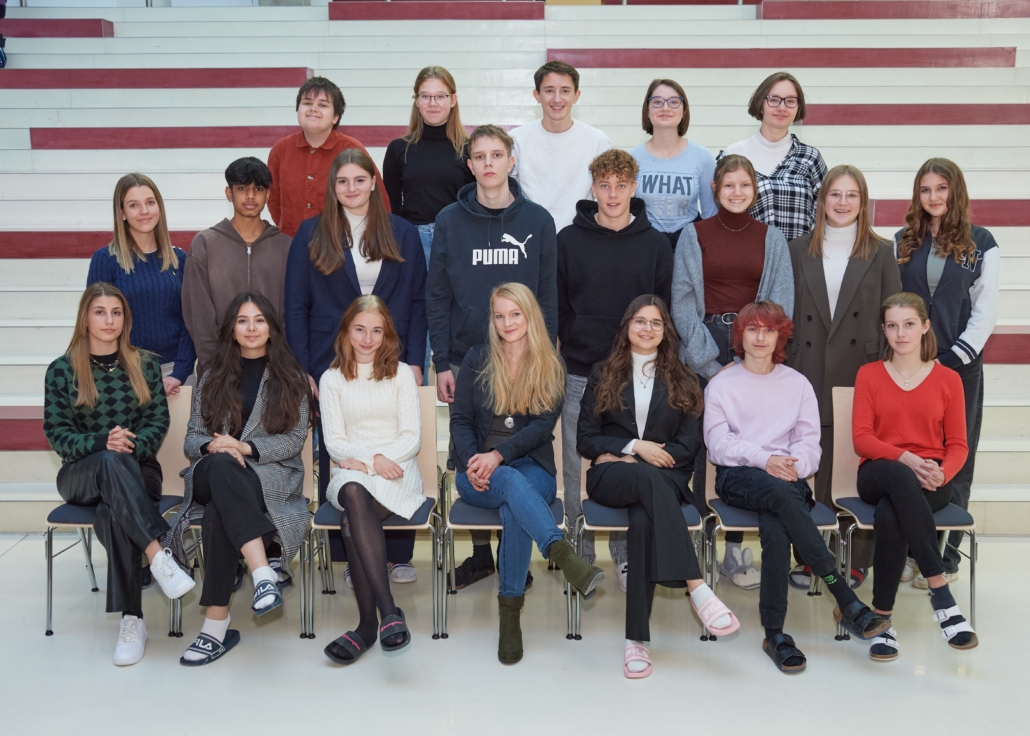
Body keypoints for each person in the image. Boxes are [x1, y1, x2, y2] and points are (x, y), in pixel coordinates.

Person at [704, 301, 890, 673]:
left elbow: (809, 445)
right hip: (738, 476)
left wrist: (793, 466)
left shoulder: (797, 383)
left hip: (788, 479)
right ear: (740, 335)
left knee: (776, 526)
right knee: (780, 497)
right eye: (752, 329)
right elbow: (718, 444)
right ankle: (843, 596)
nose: (760, 338)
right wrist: (765, 459)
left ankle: (775, 634)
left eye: (769, 330)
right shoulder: (722, 384)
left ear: (780, 336)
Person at [578, 295, 739, 679]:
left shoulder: (686, 379)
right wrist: (635, 447)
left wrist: (639, 458)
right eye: (640, 321)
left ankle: (636, 640)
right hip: (610, 477)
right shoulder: (603, 373)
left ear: (666, 330)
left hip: (661, 477)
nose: (647, 329)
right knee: (645, 483)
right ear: (627, 326)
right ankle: (696, 585)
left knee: (643, 522)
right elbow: (586, 438)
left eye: (656, 322)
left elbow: (688, 445)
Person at [427, 124, 558, 588]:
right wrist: (441, 361)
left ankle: (511, 560)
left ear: (510, 161)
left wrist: (546, 357)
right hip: (466, 358)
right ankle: (483, 556)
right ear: (470, 165)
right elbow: (437, 293)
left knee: (517, 450)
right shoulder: (449, 220)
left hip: (527, 356)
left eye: (496, 155)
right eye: (479, 156)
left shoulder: (538, 220)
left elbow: (548, 294)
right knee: (472, 452)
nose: (488, 163)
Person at [286, 148, 426, 584]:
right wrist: (303, 368)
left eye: (359, 180)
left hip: (389, 352)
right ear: (333, 186)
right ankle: (351, 558)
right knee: (343, 448)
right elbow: (295, 305)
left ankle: (398, 555)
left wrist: (415, 359)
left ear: (373, 183)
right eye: (342, 181)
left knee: (393, 444)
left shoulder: (402, 232)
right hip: (329, 358)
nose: (351, 188)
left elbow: (417, 300)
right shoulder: (311, 233)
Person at [451, 283, 605, 665]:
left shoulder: (551, 363)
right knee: (509, 487)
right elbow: (461, 420)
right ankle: (561, 553)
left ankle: (510, 619)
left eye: (515, 314)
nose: (507, 322)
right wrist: (475, 461)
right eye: (499, 315)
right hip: (475, 471)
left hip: (532, 467)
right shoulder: (476, 358)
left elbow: (541, 428)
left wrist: (498, 456)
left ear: (530, 315)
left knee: (513, 502)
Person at [43, 283, 195, 666]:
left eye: (116, 312)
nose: (109, 320)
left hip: (138, 467)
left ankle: (133, 619)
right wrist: (103, 442)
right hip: (80, 473)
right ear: (85, 318)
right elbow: (58, 434)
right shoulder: (62, 370)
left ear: (125, 319)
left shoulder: (144, 364)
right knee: (109, 462)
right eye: (100, 312)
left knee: (115, 510)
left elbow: (157, 423)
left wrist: (125, 447)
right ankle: (157, 554)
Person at [167, 292, 311, 666]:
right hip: (210, 472)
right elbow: (192, 438)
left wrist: (244, 447)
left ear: (271, 328)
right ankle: (263, 572)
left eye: (259, 320)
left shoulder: (292, 376)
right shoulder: (211, 375)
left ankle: (216, 625)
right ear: (231, 328)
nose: (251, 328)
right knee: (220, 467)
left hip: (266, 477)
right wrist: (218, 447)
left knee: (219, 511)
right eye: (243, 320)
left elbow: (294, 439)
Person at [671, 154, 793, 589]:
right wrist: (710, 362)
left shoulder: (771, 238)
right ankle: (689, 544)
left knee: (746, 444)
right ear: (715, 189)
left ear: (754, 190)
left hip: (754, 345)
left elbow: (779, 303)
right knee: (696, 444)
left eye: (744, 185)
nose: (736, 193)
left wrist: (750, 358)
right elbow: (682, 300)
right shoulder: (694, 234)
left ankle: (734, 550)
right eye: (728, 186)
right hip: (702, 344)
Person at [557, 148, 673, 589]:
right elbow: (557, 304)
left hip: (635, 376)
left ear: (634, 188)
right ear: (593, 187)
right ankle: (578, 554)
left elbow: (662, 310)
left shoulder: (655, 243)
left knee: (628, 462)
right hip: (579, 369)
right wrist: (573, 337)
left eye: (621, 185)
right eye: (604, 185)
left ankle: (625, 555)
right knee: (575, 464)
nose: (612, 194)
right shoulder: (568, 240)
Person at [787, 164, 902, 589]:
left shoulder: (881, 250)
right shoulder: (797, 249)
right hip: (807, 365)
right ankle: (810, 556)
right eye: (835, 194)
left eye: (852, 195)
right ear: (822, 200)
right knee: (810, 459)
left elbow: (894, 313)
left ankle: (855, 559)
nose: (842, 202)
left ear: (863, 202)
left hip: (861, 368)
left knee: (855, 461)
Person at [852, 292, 977, 659]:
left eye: (908, 324)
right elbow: (862, 439)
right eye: (892, 326)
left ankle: (882, 620)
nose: (900, 333)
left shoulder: (948, 379)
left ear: (925, 326)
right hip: (878, 470)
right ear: (884, 330)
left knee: (891, 514)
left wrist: (942, 474)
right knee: (899, 479)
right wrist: (905, 457)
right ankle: (941, 593)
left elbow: (958, 445)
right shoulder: (869, 374)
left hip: (929, 478)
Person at [895, 158, 999, 588]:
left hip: (959, 368)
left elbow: (985, 310)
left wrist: (952, 359)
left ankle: (947, 555)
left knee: (958, 454)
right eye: (925, 189)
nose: (934, 196)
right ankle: (909, 551)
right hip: (910, 367)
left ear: (955, 191)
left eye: (942, 188)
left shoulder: (981, 242)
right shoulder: (903, 241)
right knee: (910, 453)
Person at [319, 295, 425, 664]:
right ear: (346, 331)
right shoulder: (331, 379)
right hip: (351, 471)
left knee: (351, 520)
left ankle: (367, 626)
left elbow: (412, 437)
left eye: (376, 331)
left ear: (387, 334)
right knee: (352, 490)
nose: (367, 339)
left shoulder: (401, 374)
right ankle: (389, 611)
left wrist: (379, 461)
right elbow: (335, 442)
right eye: (360, 329)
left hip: (398, 469)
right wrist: (368, 463)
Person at [383, 66, 475, 380]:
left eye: (440, 96)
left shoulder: (468, 149)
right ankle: (415, 395)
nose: (433, 103)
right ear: (416, 101)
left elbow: (473, 204)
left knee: (458, 318)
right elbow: (393, 209)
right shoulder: (399, 149)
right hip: (413, 242)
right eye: (425, 96)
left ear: (453, 100)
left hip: (457, 242)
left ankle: (462, 397)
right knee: (417, 319)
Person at [87, 173, 196, 396]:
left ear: (159, 207)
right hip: (124, 375)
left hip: (176, 375)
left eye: (150, 202)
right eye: (134, 205)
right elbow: (97, 323)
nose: (144, 211)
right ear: (122, 213)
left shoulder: (179, 259)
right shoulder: (105, 260)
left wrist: (180, 371)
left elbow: (191, 320)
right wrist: (118, 373)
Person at [182, 157, 292, 376]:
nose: (250, 196)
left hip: (276, 372)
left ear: (268, 195)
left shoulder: (286, 247)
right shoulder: (205, 244)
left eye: (258, 189)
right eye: (242, 188)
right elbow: (198, 315)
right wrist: (215, 369)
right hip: (218, 371)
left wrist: (283, 364)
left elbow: (293, 312)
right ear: (229, 193)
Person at [267, 76, 389, 238]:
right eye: (307, 103)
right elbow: (273, 200)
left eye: (323, 105)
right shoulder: (281, 150)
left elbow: (378, 199)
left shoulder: (351, 149)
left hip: (341, 243)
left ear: (335, 117)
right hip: (292, 242)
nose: (313, 109)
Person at [721, 71, 828, 241]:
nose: (782, 107)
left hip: (799, 256)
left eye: (790, 101)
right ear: (760, 103)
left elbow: (825, 212)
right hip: (745, 254)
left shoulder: (810, 157)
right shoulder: (734, 154)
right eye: (774, 99)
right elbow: (720, 214)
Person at [510, 61, 613, 231]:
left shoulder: (598, 141)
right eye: (549, 90)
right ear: (537, 95)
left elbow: (610, 196)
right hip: (530, 236)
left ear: (576, 95)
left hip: (581, 237)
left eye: (565, 91)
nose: (557, 99)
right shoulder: (516, 140)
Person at [630, 78, 717, 250]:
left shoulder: (703, 157)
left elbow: (711, 215)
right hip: (645, 246)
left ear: (684, 111)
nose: (665, 108)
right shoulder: (632, 158)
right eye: (657, 102)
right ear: (647, 111)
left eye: (674, 102)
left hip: (690, 246)